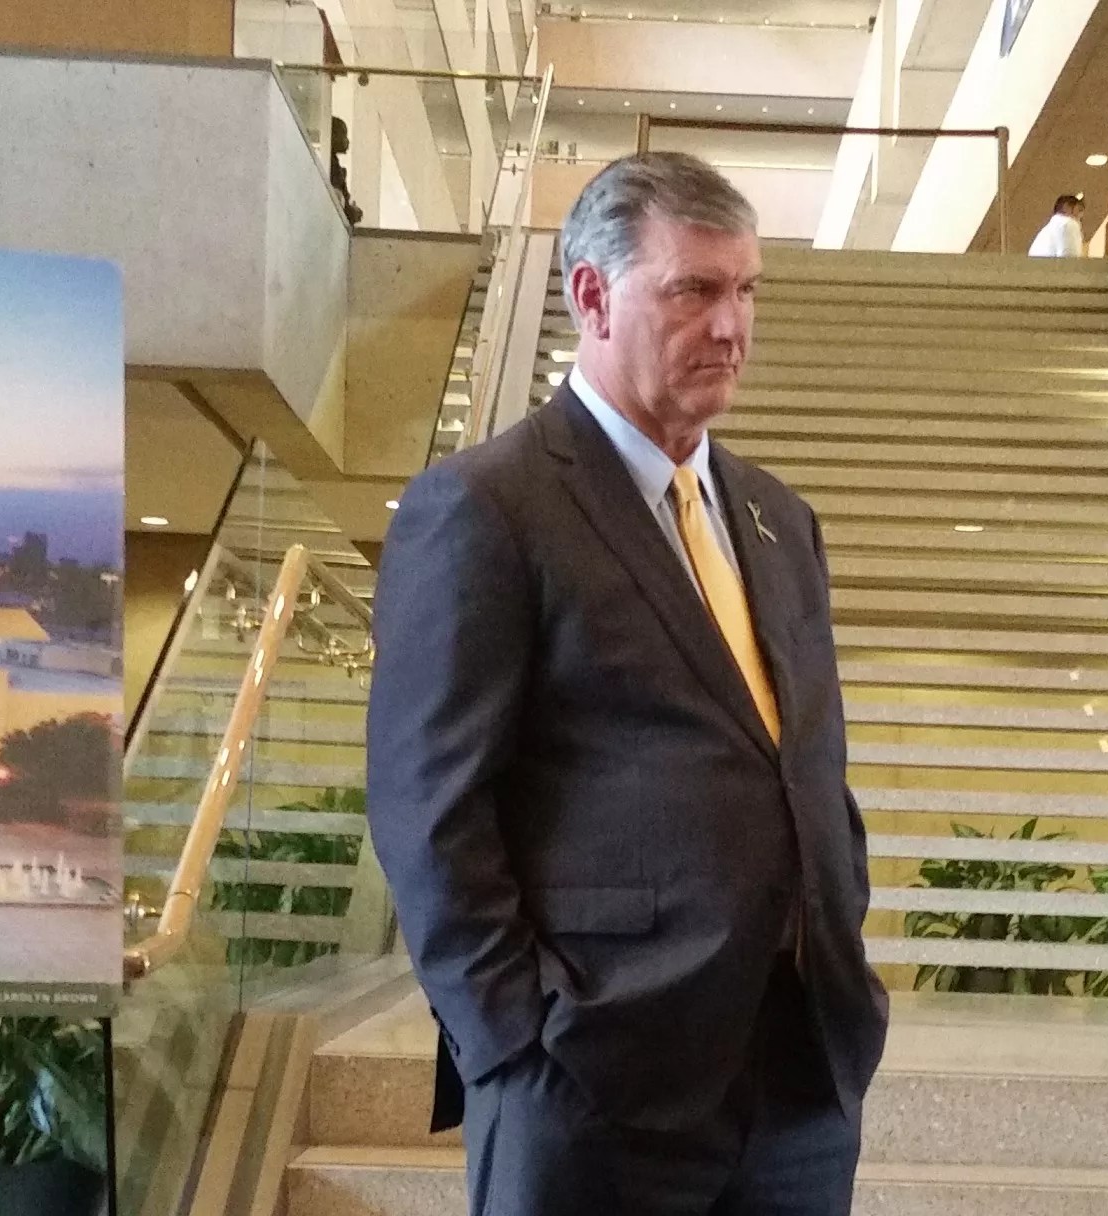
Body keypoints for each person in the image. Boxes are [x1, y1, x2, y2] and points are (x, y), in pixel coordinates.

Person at [366, 151, 888, 1216]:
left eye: (746, 290)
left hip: (797, 1079)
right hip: (590, 1082)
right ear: (592, 297)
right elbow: (428, 810)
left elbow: (805, 764)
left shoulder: (780, 520)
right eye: (692, 289)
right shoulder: (486, 507)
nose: (731, 326)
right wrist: (514, 1046)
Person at [329, 116, 363, 226]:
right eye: (343, 134)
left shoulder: (333, 162)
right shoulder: (331, 164)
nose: (347, 141)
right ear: (332, 135)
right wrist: (353, 212)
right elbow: (337, 202)